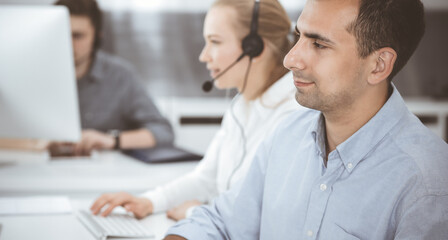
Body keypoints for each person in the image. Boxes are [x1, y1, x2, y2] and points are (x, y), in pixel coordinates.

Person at [164, 0, 448, 239]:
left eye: (319, 44)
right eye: (298, 36)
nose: (290, 59)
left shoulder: (428, 184)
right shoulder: (286, 135)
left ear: (378, 65)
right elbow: (222, 222)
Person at [90, 0, 305, 221]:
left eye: (215, 42)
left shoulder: (293, 117)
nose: (204, 56)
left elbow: (258, 216)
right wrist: (149, 201)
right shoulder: (242, 107)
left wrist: (195, 213)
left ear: (254, 47)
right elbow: (205, 179)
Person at [50, 0, 174, 156]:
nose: (68, 43)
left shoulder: (120, 76)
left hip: (104, 176)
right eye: (62, 34)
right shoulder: (35, 74)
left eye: (77, 36)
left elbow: (163, 132)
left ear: (97, 35)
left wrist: (112, 140)